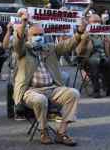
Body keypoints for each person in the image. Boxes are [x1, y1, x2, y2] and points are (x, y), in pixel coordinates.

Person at [13, 10, 88, 146]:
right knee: (40, 99)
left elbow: (68, 45)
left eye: (41, 34)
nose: (39, 37)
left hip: (52, 88)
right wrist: (23, 25)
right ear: (28, 36)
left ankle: (62, 133)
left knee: (73, 94)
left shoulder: (50, 48)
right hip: (30, 91)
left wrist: (79, 32)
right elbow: (17, 44)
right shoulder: (24, 51)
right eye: (35, 35)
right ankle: (43, 131)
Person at [77, 14, 110, 98]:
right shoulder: (84, 34)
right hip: (88, 58)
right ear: (89, 23)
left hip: (104, 58)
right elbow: (78, 52)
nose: (97, 23)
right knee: (94, 62)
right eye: (94, 22)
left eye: (98, 22)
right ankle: (96, 90)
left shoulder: (104, 34)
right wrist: (85, 39)